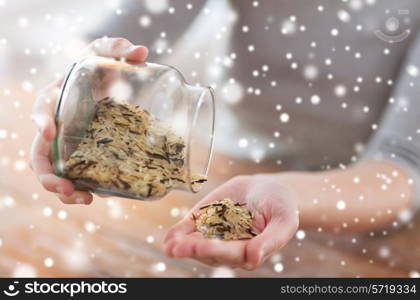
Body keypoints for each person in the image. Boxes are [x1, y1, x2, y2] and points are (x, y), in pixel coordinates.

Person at [31, 1, 420, 270]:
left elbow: (404, 165)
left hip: (360, 208)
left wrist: (288, 195)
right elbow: (115, 37)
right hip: (225, 167)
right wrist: (82, 84)